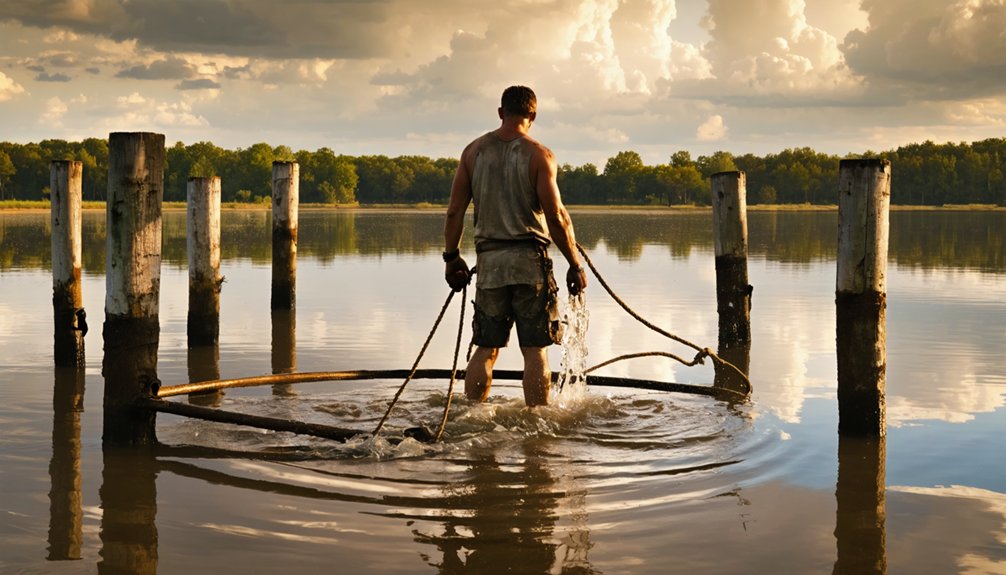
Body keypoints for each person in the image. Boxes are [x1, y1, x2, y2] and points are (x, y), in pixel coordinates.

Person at [442, 85, 587, 407]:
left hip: (490, 264)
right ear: (532, 115)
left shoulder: (472, 152)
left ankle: (473, 413)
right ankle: (537, 420)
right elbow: (556, 217)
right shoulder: (539, 155)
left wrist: (451, 257)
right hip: (530, 264)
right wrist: (575, 265)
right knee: (535, 350)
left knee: (485, 348)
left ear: (500, 112)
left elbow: (454, 212)